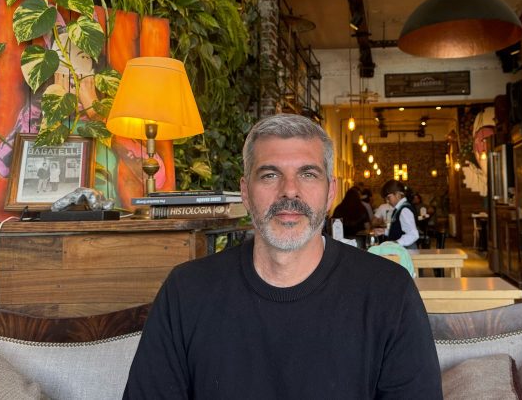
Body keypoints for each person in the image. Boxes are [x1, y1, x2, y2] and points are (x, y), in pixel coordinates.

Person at [123, 114, 442, 399]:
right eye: (270, 175)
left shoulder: (389, 292)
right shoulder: (187, 291)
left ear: (330, 192)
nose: (289, 190)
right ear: (245, 192)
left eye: (308, 174)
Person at [373, 179, 420, 249]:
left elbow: (413, 234)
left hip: (406, 250)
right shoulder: (399, 208)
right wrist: (384, 231)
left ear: (398, 195)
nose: (387, 201)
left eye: (389, 197)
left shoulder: (404, 210)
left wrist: (396, 243)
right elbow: (400, 230)